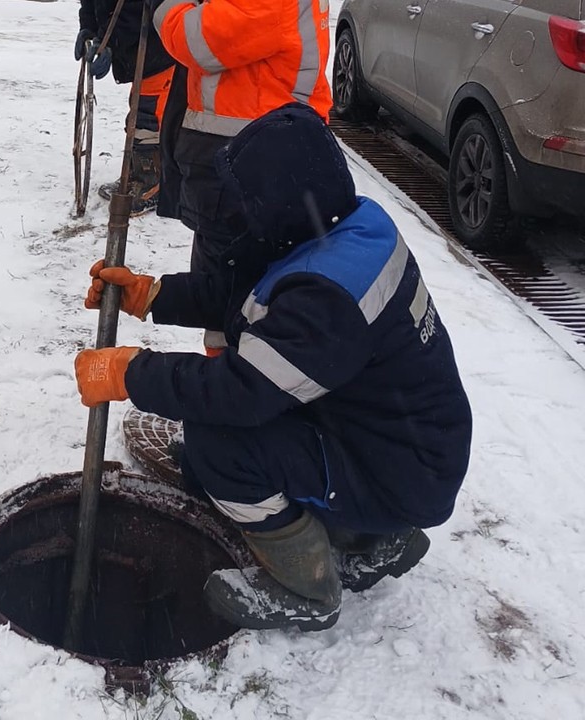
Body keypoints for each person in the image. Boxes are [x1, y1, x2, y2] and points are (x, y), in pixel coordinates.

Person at [74, 104, 472, 630]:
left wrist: (132, 373)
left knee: (221, 442)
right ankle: (370, 532)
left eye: (246, 201)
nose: (237, 212)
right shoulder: (341, 225)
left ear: (280, 203)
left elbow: (239, 394)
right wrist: (152, 296)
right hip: (394, 441)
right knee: (217, 437)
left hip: (400, 470)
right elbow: (248, 293)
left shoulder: (327, 298)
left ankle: (308, 588)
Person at [149, 0, 333, 355]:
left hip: (249, 168)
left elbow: (193, 39)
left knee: (238, 300)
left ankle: (231, 390)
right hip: (248, 161)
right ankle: (228, 384)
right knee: (230, 296)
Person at [76, 0, 175, 215]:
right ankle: (136, 173)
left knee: (149, 118)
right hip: (135, 51)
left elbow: (133, 10)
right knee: (138, 113)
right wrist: (89, 29)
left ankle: (153, 183)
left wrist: (107, 42)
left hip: (156, 48)